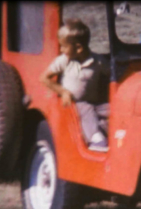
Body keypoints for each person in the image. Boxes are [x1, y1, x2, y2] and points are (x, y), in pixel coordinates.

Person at [40, 18, 110, 152]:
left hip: (94, 104)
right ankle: (95, 139)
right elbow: (44, 78)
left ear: (78, 48)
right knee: (86, 109)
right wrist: (63, 92)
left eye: (64, 46)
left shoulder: (98, 61)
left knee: (112, 110)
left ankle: (103, 130)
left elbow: (112, 74)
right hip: (73, 104)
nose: (61, 50)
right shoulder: (64, 60)